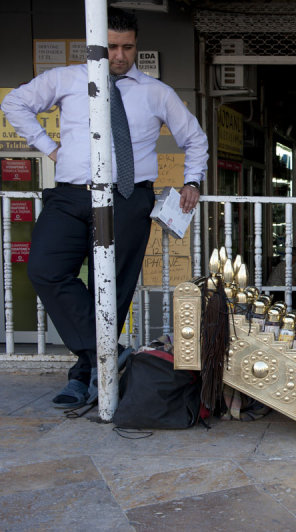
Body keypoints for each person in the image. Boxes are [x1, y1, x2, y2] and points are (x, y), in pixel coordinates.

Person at [1, 8, 209, 408]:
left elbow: (195, 139)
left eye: (127, 47)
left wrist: (193, 180)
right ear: (96, 43)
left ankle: (83, 376)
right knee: (45, 270)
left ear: (136, 46)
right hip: (72, 193)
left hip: (129, 197)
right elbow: (15, 103)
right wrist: (50, 148)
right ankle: (105, 356)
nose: (119, 55)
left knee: (111, 288)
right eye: (111, 46)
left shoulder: (155, 91)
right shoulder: (66, 79)